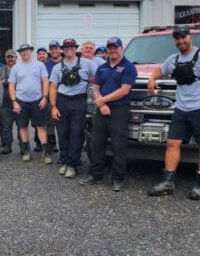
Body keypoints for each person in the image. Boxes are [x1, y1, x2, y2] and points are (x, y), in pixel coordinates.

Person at [148, 25, 200, 198]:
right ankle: (168, 182)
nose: (180, 41)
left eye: (183, 37)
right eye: (177, 38)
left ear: (190, 37)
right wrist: (151, 79)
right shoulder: (173, 59)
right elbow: (159, 70)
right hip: (181, 109)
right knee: (172, 143)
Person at [80, 37, 136, 192]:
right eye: (110, 48)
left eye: (115, 48)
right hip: (102, 110)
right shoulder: (102, 67)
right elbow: (96, 87)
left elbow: (124, 90)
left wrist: (103, 100)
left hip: (119, 109)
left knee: (118, 145)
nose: (112, 51)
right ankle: (95, 175)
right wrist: (102, 103)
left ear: (121, 48)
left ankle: (118, 178)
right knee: (96, 143)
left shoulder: (128, 67)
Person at [48, 38, 96, 179]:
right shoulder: (57, 67)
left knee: (76, 133)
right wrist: (53, 106)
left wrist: (97, 94)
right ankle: (65, 160)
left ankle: (72, 165)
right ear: (63, 49)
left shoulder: (87, 64)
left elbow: (99, 77)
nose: (69, 49)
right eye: (66, 47)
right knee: (63, 134)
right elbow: (53, 87)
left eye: (71, 47)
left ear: (76, 48)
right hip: (62, 101)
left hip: (79, 101)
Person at [10, 43, 51, 163]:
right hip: (21, 101)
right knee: (22, 126)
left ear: (31, 51)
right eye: (22, 51)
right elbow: (12, 85)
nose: (25, 53)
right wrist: (14, 102)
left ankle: (45, 152)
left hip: (37, 100)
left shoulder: (40, 65)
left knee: (41, 126)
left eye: (27, 50)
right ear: (20, 53)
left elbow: (45, 81)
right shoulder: (16, 68)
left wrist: (44, 97)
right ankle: (27, 151)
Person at [0, 49, 17, 154]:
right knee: (6, 126)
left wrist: (6, 82)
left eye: (12, 57)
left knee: (21, 125)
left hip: (19, 102)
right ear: (5, 58)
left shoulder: (20, 69)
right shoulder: (1, 70)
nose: (10, 59)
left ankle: (23, 146)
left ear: (16, 58)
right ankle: (7, 146)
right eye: (8, 57)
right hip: (5, 103)